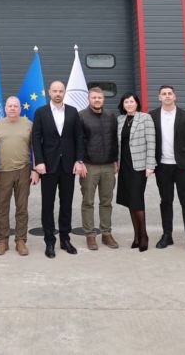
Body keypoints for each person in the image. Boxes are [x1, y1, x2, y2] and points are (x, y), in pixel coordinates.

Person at [32, 81, 86, 258]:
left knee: (66, 204)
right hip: (48, 166)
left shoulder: (72, 111)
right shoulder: (41, 112)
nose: (57, 93)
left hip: (68, 166)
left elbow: (79, 137)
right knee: (47, 205)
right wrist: (39, 162)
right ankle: (49, 241)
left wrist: (79, 160)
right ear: (49, 92)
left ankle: (65, 239)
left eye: (60, 91)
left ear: (64, 93)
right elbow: (36, 138)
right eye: (54, 91)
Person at [149, 85, 185, 255]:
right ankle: (167, 235)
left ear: (174, 96)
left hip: (183, 167)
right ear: (159, 97)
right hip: (162, 166)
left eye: (169, 93)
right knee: (166, 201)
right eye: (163, 94)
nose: (167, 96)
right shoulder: (152, 116)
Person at [0, 96, 39, 256]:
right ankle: (3, 240)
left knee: (22, 207)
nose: (12, 108)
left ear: (20, 108)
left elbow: (35, 148)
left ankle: (20, 240)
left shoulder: (28, 124)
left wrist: (35, 170)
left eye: (15, 106)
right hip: (3, 172)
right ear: (5, 108)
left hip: (23, 170)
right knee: (2, 207)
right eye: (10, 106)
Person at [78, 87, 119, 250]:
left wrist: (116, 160)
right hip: (89, 166)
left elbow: (115, 140)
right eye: (94, 97)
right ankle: (90, 235)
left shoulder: (110, 116)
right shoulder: (81, 116)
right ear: (89, 99)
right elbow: (78, 140)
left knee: (106, 202)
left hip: (108, 166)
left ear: (103, 99)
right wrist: (79, 161)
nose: (97, 100)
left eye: (99, 97)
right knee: (88, 202)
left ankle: (106, 233)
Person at [115, 93, 155, 251]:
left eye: (132, 101)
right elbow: (118, 144)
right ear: (123, 104)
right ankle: (136, 236)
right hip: (124, 166)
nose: (129, 104)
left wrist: (150, 165)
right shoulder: (120, 119)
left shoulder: (145, 118)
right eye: (126, 102)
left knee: (137, 200)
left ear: (137, 103)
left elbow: (151, 142)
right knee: (130, 201)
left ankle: (144, 235)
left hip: (139, 166)